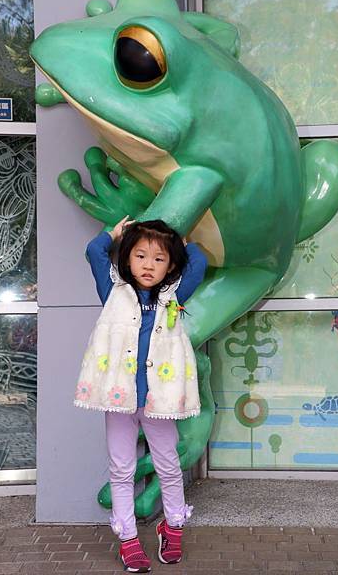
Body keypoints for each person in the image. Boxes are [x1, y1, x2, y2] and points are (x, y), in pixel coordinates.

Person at [74, 216, 208, 573]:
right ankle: (128, 539)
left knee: (169, 465)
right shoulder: (112, 290)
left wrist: (178, 238)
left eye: (159, 258)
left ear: (171, 265)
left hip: (159, 403)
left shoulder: (173, 295)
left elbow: (200, 260)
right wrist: (114, 234)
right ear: (127, 259)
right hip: (118, 401)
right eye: (140, 255)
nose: (149, 265)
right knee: (121, 469)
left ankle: (174, 526)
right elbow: (93, 250)